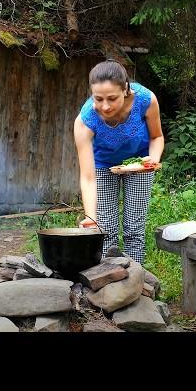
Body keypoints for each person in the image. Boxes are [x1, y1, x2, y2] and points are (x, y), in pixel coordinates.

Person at [73, 59, 164, 264]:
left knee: (134, 229)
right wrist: (90, 217)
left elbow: (157, 137)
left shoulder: (146, 100)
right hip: (103, 166)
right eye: (98, 99)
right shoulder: (84, 121)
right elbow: (88, 178)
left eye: (112, 98)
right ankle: (107, 281)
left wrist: (152, 160)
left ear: (125, 89)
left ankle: (136, 279)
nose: (105, 106)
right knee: (105, 229)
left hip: (139, 165)